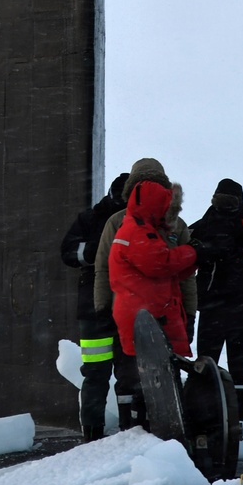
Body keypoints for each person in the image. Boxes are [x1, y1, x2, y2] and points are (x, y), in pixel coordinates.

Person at [94, 157, 199, 428]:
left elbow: (103, 269)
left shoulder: (121, 223)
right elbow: (182, 272)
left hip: (138, 311)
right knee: (147, 375)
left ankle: (133, 427)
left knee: (131, 374)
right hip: (158, 313)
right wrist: (189, 313)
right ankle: (150, 427)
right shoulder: (130, 223)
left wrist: (103, 308)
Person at [189, 178, 243, 421]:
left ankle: (225, 424)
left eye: (227, 201)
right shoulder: (205, 227)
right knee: (216, 369)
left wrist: (235, 255)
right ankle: (225, 424)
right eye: (220, 200)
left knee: (211, 369)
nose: (223, 205)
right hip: (229, 307)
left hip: (228, 307)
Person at [60, 172, 129, 441]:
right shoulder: (92, 219)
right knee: (100, 374)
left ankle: (122, 430)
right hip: (97, 309)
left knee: (119, 376)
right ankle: (96, 431)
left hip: (113, 308)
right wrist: (96, 251)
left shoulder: (127, 220)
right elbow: (68, 252)